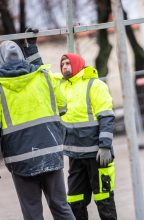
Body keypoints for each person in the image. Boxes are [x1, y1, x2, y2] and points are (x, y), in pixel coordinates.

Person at [0, 40, 75, 220]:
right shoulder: (44, 76)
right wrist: (32, 48)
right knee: (61, 206)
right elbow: (63, 107)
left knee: (32, 212)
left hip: (20, 159)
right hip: (51, 151)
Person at [55, 53, 118, 220]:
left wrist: (105, 146)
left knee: (104, 201)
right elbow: (41, 75)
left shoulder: (95, 85)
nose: (65, 67)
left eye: (68, 63)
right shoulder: (61, 86)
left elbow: (106, 116)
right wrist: (30, 48)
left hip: (97, 156)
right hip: (75, 157)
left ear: (77, 64)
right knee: (75, 202)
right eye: (62, 64)